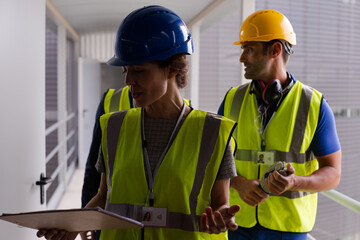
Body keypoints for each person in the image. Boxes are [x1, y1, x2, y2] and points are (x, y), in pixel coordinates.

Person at [37, 5, 240, 240]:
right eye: (126, 71)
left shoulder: (213, 133)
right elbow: (104, 196)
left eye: (139, 70)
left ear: (172, 68)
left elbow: (221, 204)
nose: (129, 80)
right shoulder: (114, 127)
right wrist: (73, 225)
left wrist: (221, 218)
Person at [218, 9, 342, 240]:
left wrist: (295, 182)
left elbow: (333, 173)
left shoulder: (313, 105)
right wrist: (239, 183)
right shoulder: (232, 100)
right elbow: (212, 159)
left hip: (289, 231)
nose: (242, 57)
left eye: (249, 49)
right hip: (237, 225)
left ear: (275, 50)